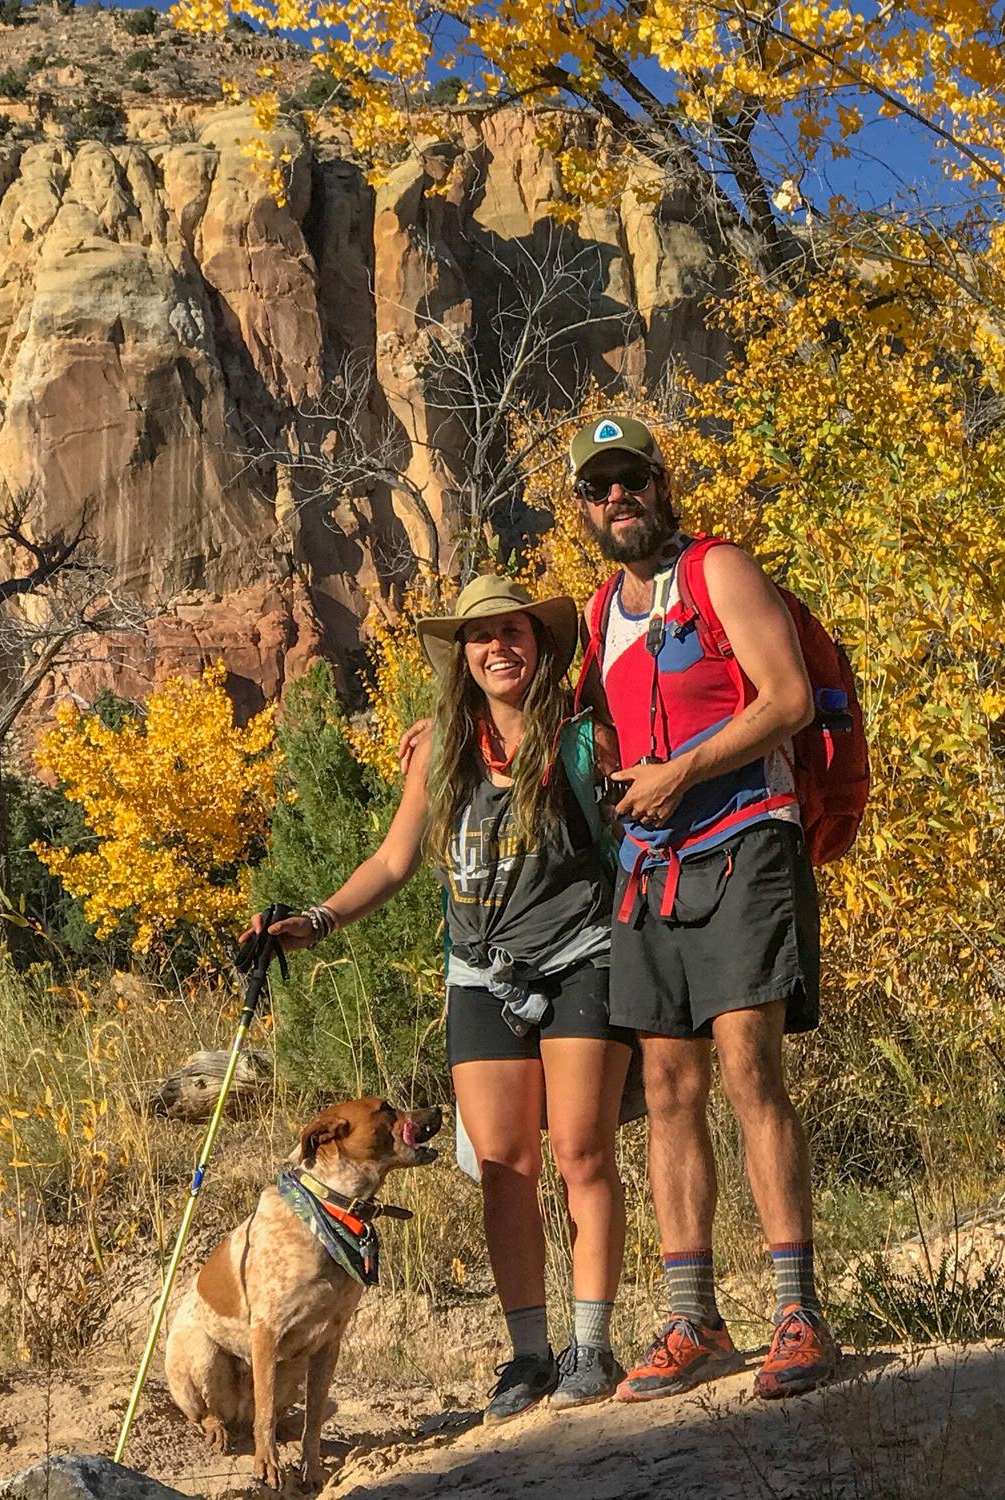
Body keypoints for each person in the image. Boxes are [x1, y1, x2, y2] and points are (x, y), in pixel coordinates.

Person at [247, 575, 634, 1420]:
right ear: (461, 654)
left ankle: (592, 1346)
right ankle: (529, 1355)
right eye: (480, 635)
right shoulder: (441, 748)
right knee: (503, 1168)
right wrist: (317, 919)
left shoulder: (582, 736)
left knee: (580, 1153)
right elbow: (393, 862)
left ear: (539, 644)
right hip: (479, 973)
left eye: (514, 631)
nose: (500, 646)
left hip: (579, 957)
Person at [568, 414, 840, 1401]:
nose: (617, 499)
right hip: (648, 868)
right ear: (585, 511)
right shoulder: (604, 611)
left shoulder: (719, 570)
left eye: (629, 479)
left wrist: (679, 772)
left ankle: (798, 1313)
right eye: (598, 489)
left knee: (746, 1069)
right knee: (669, 1092)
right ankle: (694, 1321)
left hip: (742, 846)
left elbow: (788, 700)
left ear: (658, 483)